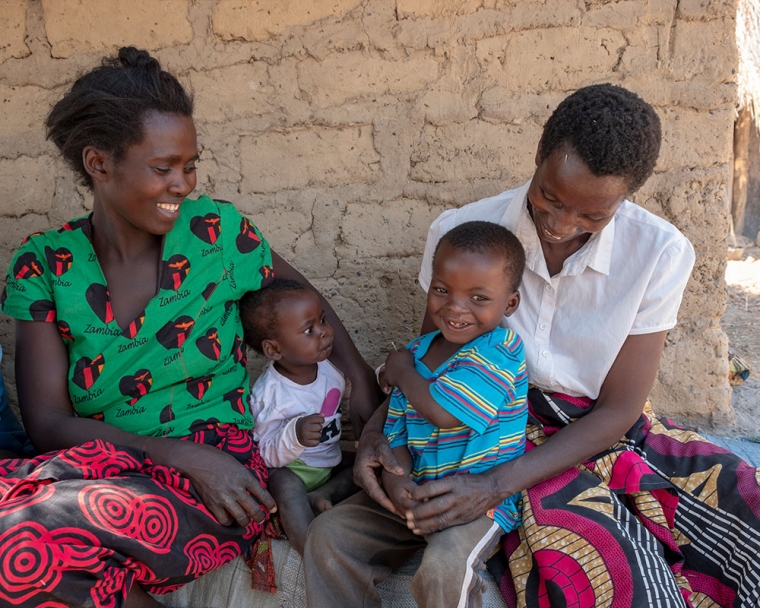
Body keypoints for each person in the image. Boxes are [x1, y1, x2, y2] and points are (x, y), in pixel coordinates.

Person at [307, 83, 760, 607]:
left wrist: (496, 484)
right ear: (538, 156)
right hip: (482, 424)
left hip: (590, 433)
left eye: (593, 215)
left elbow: (619, 410)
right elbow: (431, 361)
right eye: (550, 196)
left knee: (740, 507)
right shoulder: (463, 234)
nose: (562, 224)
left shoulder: (659, 253)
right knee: (598, 560)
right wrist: (376, 440)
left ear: (626, 196)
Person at [0, 47, 378, 608]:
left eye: (190, 164)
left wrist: (368, 405)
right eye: (163, 167)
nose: (182, 183)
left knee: (21, 540)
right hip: (106, 467)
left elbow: (308, 305)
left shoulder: (216, 237)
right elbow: (48, 420)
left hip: (222, 473)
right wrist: (171, 454)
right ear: (98, 163)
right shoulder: (45, 265)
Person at [309, 220, 529, 607]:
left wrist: (401, 371)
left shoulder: (501, 351)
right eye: (442, 290)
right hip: (413, 497)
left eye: (478, 298)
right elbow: (396, 430)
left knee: (445, 565)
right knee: (329, 535)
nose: (456, 308)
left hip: (475, 506)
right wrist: (398, 483)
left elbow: (444, 412)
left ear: (509, 303)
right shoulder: (419, 349)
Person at [240, 278, 357, 556]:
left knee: (364, 466)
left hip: (328, 463)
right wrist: (295, 433)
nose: (325, 333)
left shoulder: (328, 367)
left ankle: (322, 495)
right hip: (295, 469)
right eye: (309, 329)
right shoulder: (270, 396)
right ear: (274, 350)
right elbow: (264, 454)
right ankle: (311, 549)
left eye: (323, 320)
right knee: (284, 483)